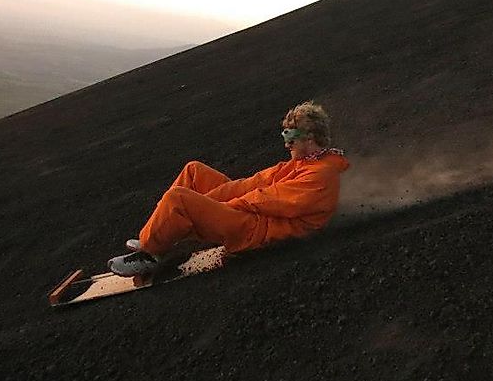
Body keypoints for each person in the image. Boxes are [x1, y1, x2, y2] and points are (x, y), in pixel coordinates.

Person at [108, 101, 350, 276]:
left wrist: (211, 209)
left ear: (309, 139)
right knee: (194, 171)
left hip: (259, 230)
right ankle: (160, 233)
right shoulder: (301, 163)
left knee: (179, 199)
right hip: (254, 214)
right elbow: (253, 183)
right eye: (284, 136)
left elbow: (264, 200)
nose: (286, 144)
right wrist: (208, 204)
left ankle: (150, 253)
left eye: (291, 138)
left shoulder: (320, 175)